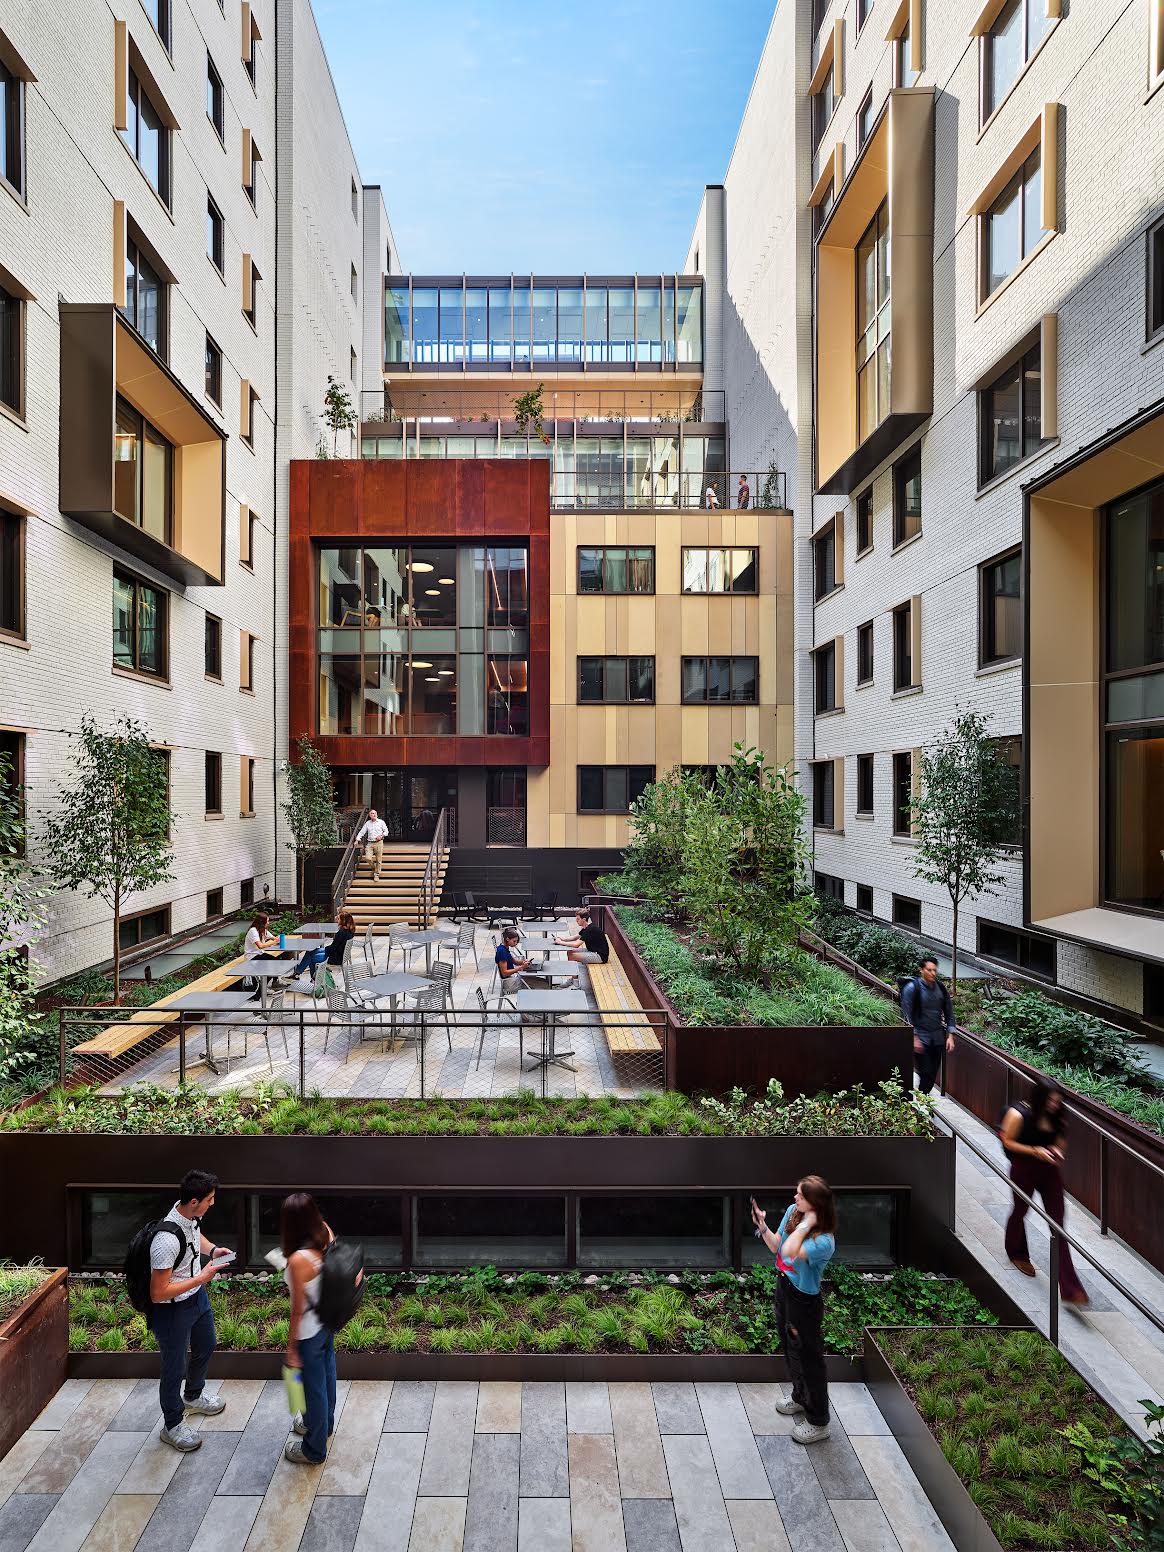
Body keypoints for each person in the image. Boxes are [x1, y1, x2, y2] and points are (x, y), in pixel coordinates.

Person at [149, 1169, 233, 1452]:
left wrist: (214, 1251)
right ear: (194, 1201)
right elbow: (158, 1292)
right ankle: (172, 1425)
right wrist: (201, 1278)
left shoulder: (189, 1216)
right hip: (172, 1310)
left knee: (206, 1345)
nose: (213, 1203)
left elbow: (195, 1237)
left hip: (197, 1300)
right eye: (210, 1199)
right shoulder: (165, 1241)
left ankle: (193, 1396)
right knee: (174, 1368)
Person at [751, 1177, 836, 1444]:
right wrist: (763, 1227)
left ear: (815, 1204)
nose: (794, 1198)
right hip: (785, 1288)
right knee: (791, 1349)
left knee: (810, 1360)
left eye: (801, 1195)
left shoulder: (824, 1241)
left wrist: (807, 1224)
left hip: (804, 1302)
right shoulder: (793, 1212)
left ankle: (819, 1422)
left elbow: (789, 1251)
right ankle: (800, 1397)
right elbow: (777, 1247)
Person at [1001, 1081, 1088, 1307]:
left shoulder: (1058, 1117)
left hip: (1048, 1171)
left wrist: (1056, 1151)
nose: (1054, 1105)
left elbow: (1060, 1141)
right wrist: (1034, 1151)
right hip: (1023, 1167)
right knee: (1020, 1210)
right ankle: (1017, 1252)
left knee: (1058, 1224)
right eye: (1050, 1101)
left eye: (1057, 1102)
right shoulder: (1019, 1114)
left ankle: (1070, 1288)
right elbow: (1007, 1141)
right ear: (1039, 1097)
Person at [281, 1193, 338, 1465]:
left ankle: (314, 1450)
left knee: (312, 1390)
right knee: (327, 1377)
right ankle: (325, 1427)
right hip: (326, 1322)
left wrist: (292, 1348)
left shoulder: (298, 1260)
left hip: (308, 1332)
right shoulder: (325, 1232)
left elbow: (297, 1310)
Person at [901, 956, 956, 1095]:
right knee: (925, 1071)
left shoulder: (940, 988)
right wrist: (914, 1037)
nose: (933, 973)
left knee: (933, 1072)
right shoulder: (912, 988)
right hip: (921, 1036)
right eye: (929, 970)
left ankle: (923, 1097)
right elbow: (906, 1015)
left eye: (935, 970)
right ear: (921, 970)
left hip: (937, 1037)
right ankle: (922, 1099)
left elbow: (949, 1011)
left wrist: (950, 1036)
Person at [293, 910, 356, 986]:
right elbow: (334, 947)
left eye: (338, 918)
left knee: (312, 958)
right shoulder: (349, 931)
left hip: (335, 958)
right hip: (338, 955)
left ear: (343, 921)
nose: (337, 919)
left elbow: (333, 948)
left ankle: (312, 980)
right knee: (311, 951)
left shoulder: (341, 933)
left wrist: (325, 950)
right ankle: (299, 974)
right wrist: (325, 949)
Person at [355, 808, 390, 880]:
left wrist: (381, 836)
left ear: (377, 814)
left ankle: (377, 874)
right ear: (369, 815)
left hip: (379, 843)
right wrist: (357, 840)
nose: (374, 814)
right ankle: (374, 868)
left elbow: (386, 831)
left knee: (378, 860)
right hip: (370, 843)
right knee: (368, 858)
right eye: (372, 813)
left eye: (375, 813)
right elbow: (362, 832)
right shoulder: (368, 823)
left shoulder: (381, 822)